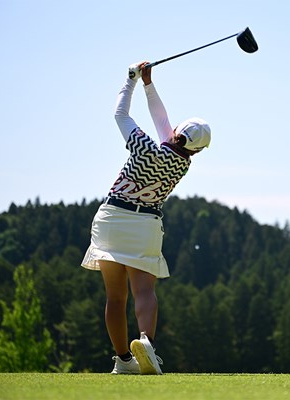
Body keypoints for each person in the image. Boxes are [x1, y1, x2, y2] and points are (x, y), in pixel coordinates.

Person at [81, 61, 211, 375]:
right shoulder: (183, 164)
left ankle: (124, 360)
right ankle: (147, 343)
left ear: (178, 132)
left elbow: (121, 115)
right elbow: (164, 125)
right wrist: (149, 85)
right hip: (145, 224)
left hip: (112, 217)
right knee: (144, 291)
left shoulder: (142, 147)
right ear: (197, 150)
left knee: (115, 297)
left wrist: (132, 80)